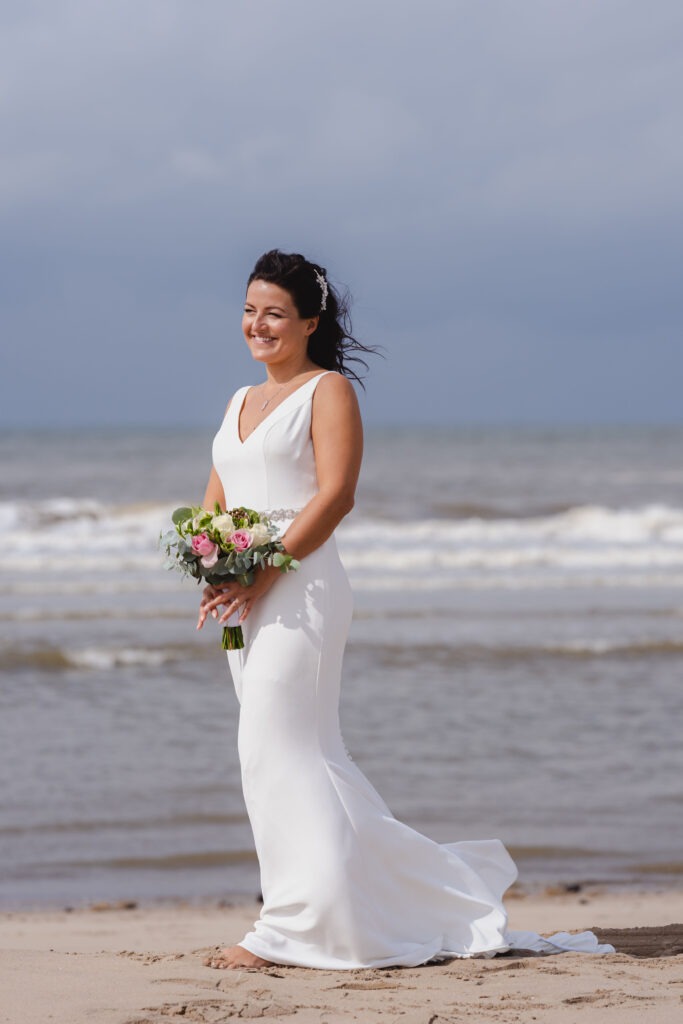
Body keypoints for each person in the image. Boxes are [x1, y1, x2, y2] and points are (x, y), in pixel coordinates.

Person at [197, 249, 613, 970]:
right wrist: (210, 565)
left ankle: (292, 927)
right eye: (248, 310)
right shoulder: (238, 401)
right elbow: (215, 500)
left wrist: (265, 570)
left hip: (301, 589)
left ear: (308, 322)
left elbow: (335, 496)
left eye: (274, 313)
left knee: (276, 749)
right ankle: (391, 901)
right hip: (246, 597)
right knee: (299, 755)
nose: (257, 325)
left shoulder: (327, 392)